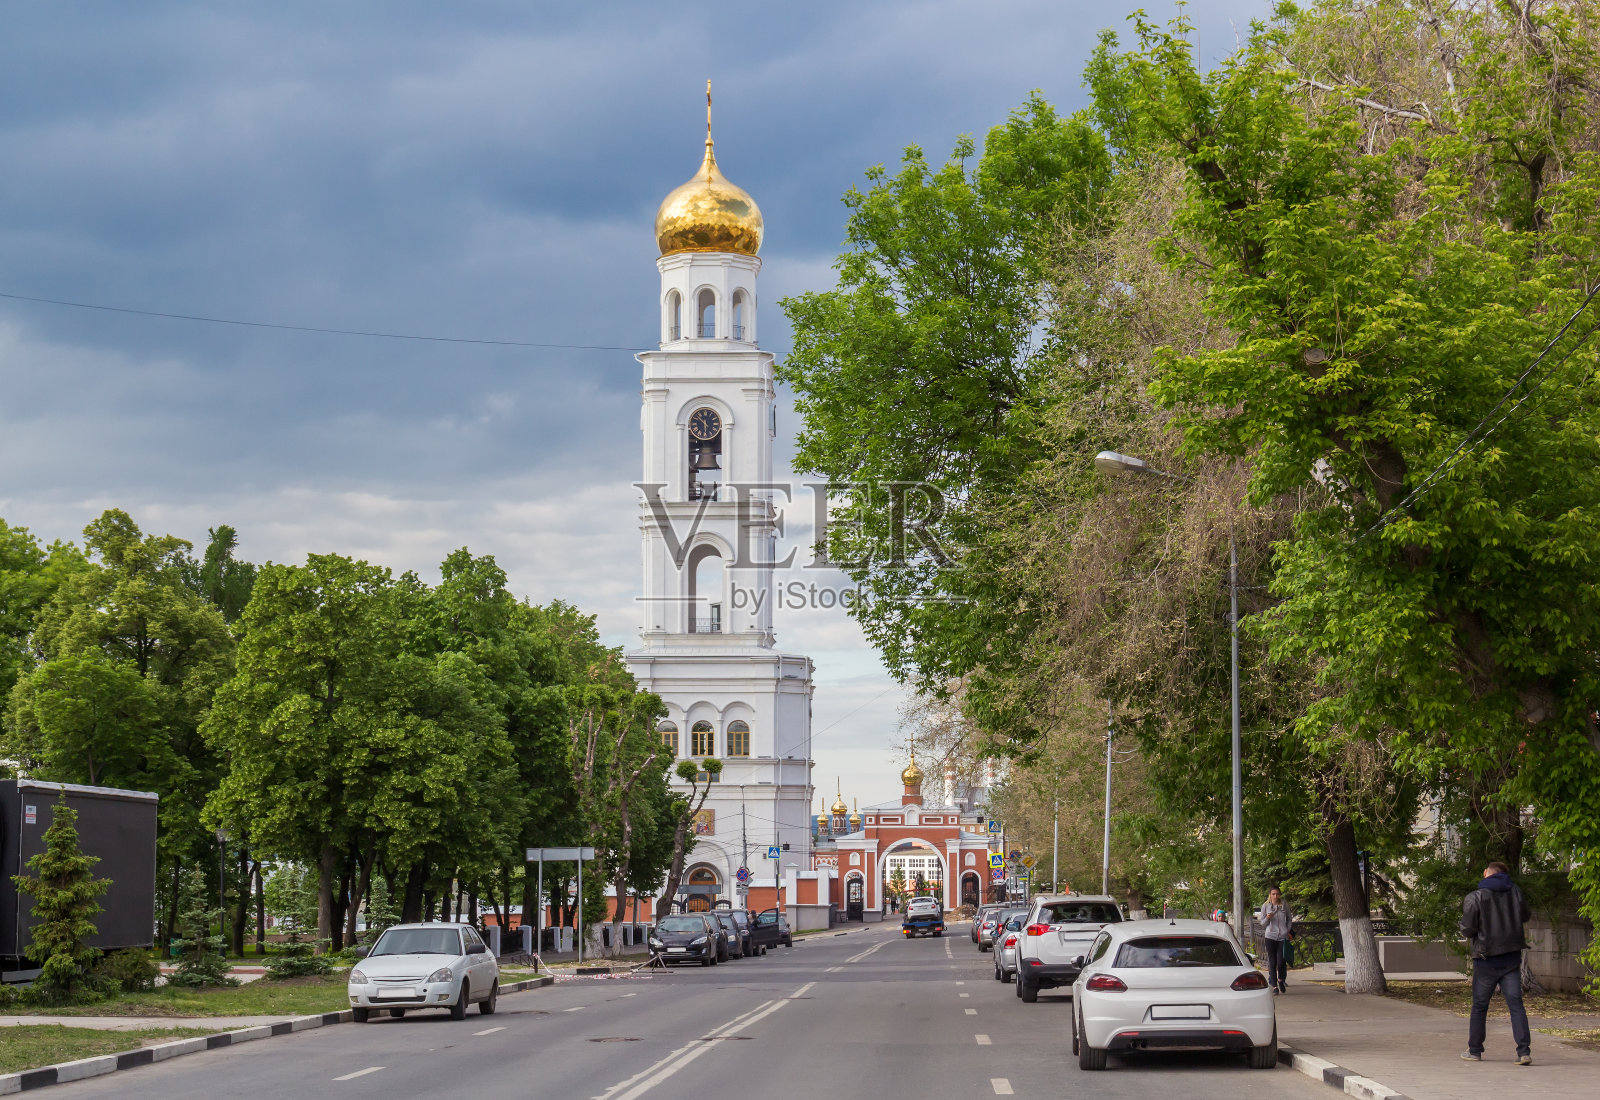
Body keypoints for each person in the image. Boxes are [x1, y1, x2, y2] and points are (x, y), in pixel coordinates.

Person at [1459, 861, 1533, 1066]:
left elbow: (1467, 929)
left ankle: (1475, 1050)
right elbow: (1526, 915)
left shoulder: (1476, 897)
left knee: (1480, 1006)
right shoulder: (1515, 892)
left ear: (1486, 873)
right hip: (1510, 958)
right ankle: (1524, 1051)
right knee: (1516, 1006)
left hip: (1486, 959)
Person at [1256, 886, 1292, 994]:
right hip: (1270, 936)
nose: (1275, 896)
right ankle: (1274, 986)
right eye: (1273, 894)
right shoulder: (1265, 906)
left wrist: (1287, 930)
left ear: (1280, 894)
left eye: (1277, 894)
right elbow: (1262, 923)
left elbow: (1289, 919)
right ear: (1270, 895)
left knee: (1281, 961)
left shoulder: (1284, 904)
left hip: (1282, 937)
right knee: (1272, 961)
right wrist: (1267, 918)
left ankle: (1281, 980)